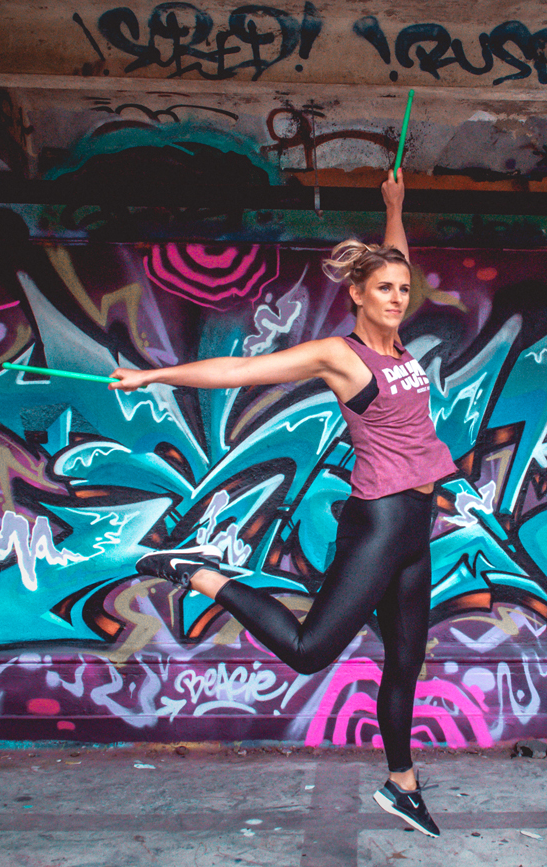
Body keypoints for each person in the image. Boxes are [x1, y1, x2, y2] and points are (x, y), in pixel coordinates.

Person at [109, 170, 455, 838]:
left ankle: (402, 784)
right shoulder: (342, 357)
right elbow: (240, 372)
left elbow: (397, 258)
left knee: (406, 660)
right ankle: (197, 572)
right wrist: (154, 374)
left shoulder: (397, 342)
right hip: (382, 520)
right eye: (384, 289)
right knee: (308, 649)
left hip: (417, 524)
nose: (397, 297)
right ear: (356, 294)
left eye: (402, 289)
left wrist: (395, 206)